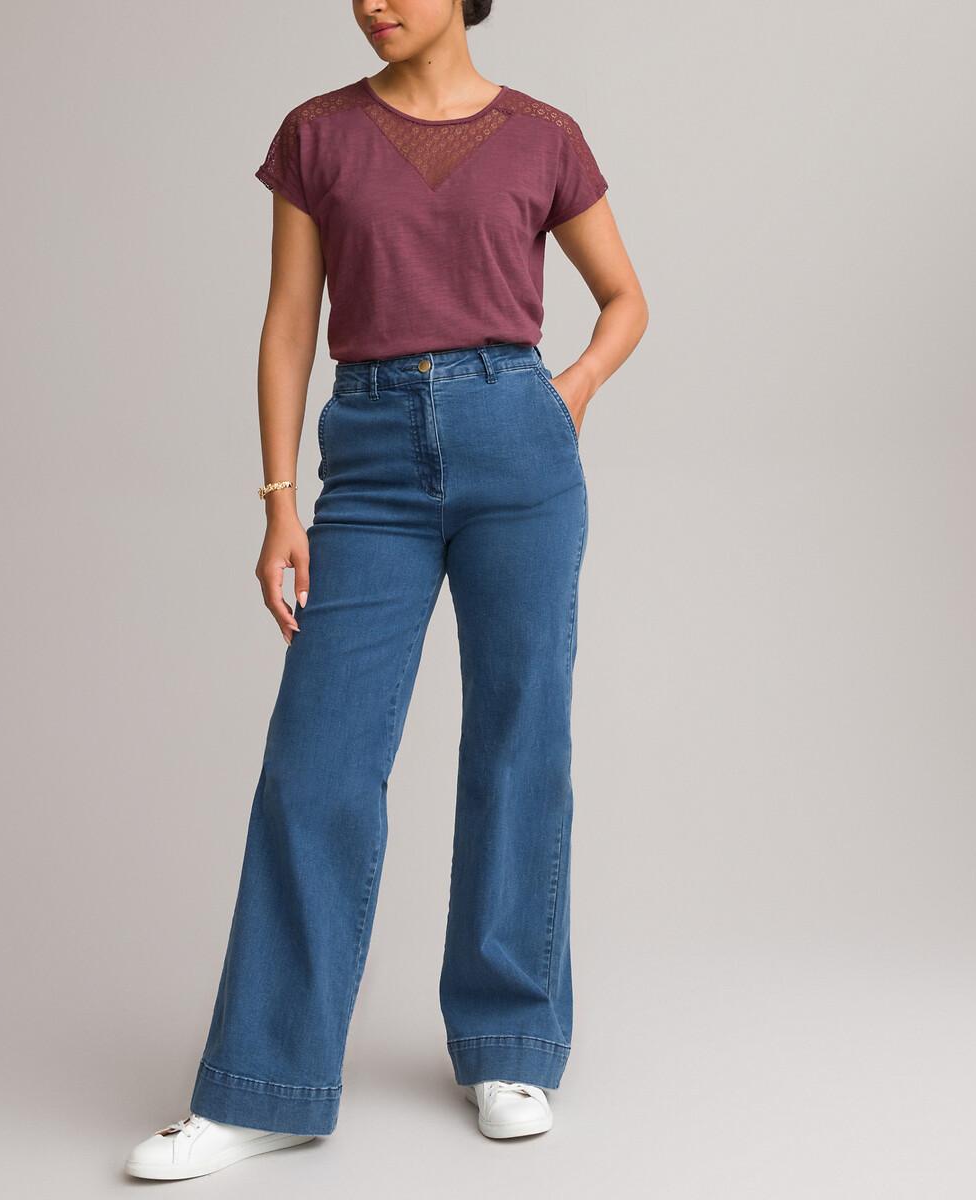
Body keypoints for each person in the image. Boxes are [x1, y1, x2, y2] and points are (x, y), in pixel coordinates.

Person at [125, 0, 648, 1180]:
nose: (373, 3)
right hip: (368, 459)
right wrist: (278, 503)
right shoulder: (317, 135)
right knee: (318, 761)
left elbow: (627, 298)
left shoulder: (544, 136)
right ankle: (265, 1083)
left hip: (519, 450)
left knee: (519, 739)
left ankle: (509, 1045)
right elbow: (288, 322)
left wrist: (566, 394)